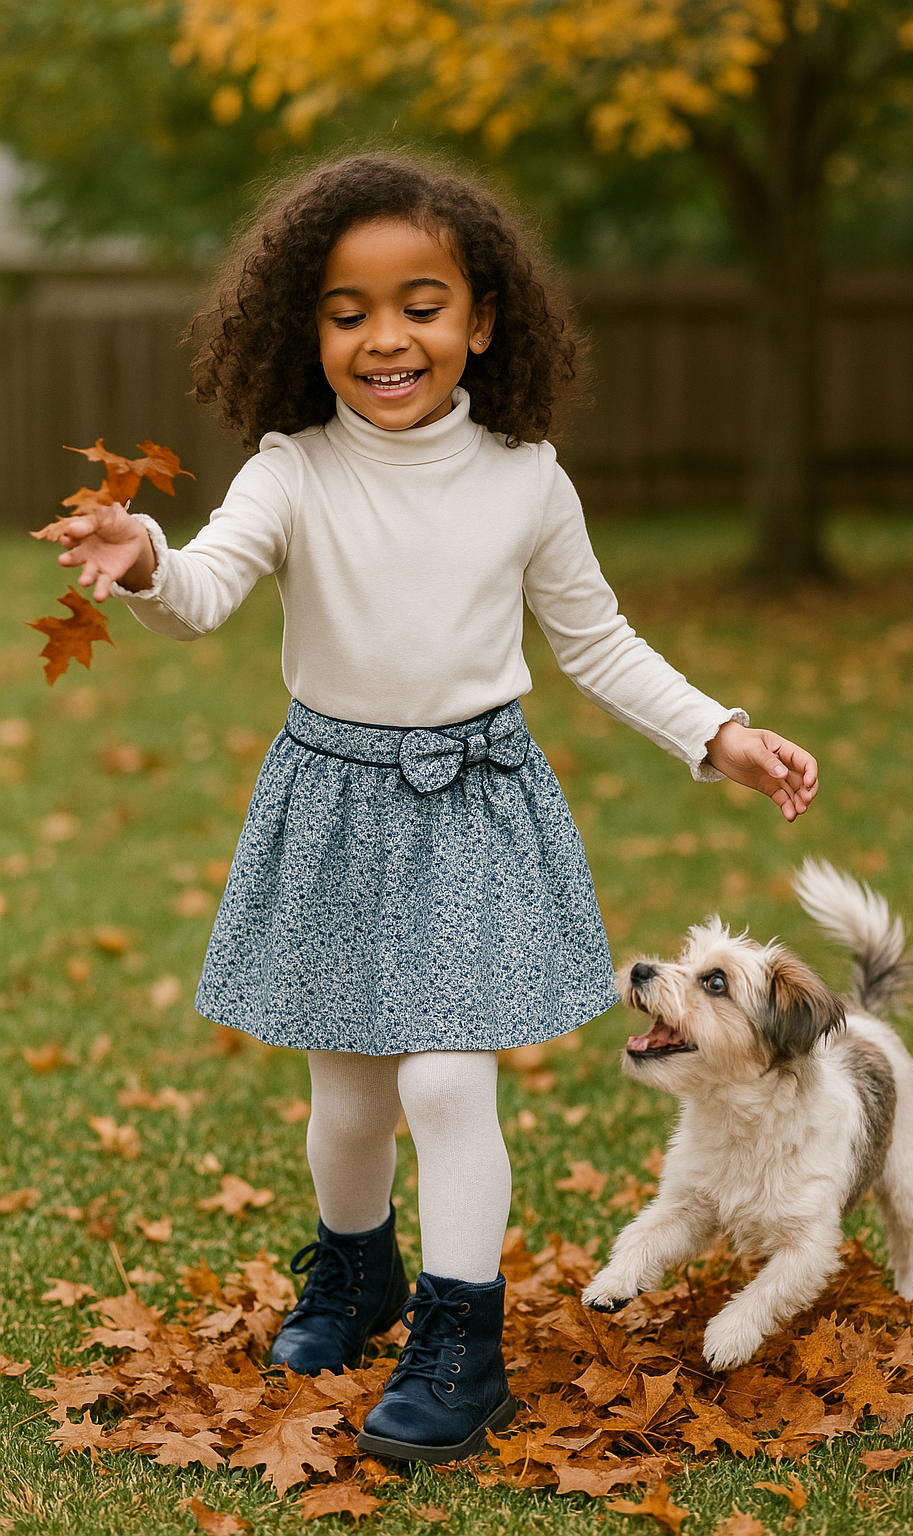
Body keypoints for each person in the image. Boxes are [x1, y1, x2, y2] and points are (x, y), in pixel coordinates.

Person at [51, 154, 818, 1465]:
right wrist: (145, 563)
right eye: (347, 311)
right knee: (348, 1104)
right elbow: (207, 589)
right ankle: (363, 1276)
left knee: (450, 1082)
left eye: (420, 302)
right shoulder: (290, 471)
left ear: (482, 318)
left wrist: (717, 730)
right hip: (335, 804)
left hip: (474, 801)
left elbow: (599, 642)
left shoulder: (526, 477)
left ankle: (465, 1342)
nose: (386, 335)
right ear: (306, 327)